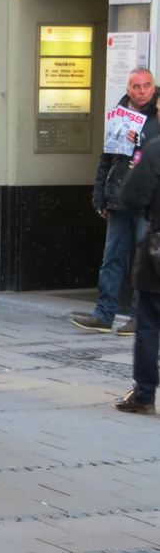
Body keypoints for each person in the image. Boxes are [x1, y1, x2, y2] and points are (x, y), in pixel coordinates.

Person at [74, 67, 160, 336]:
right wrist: (99, 197)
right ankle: (104, 314)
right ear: (128, 90)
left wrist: (143, 141)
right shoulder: (118, 116)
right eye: (137, 86)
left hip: (146, 202)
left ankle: (138, 317)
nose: (142, 91)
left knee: (144, 260)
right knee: (111, 259)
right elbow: (105, 159)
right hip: (119, 199)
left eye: (147, 86)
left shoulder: (157, 117)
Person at [113, 134, 160, 413]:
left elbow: (130, 196)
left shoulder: (155, 151)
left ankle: (144, 395)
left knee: (149, 325)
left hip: (157, 253)